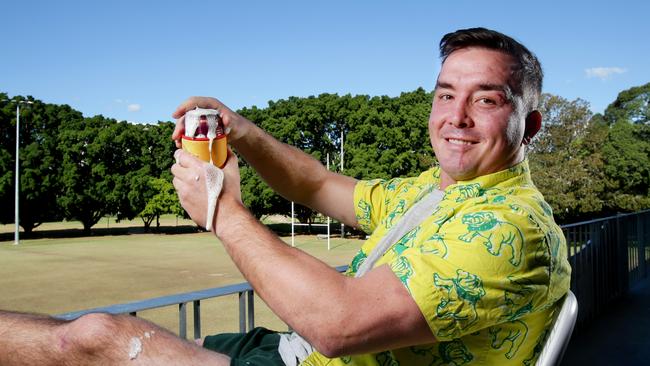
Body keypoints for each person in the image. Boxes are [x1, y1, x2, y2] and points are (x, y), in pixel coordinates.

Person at [0, 27, 570, 366]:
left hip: (314, 354)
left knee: (99, 338)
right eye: (447, 95)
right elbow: (317, 184)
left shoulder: (507, 227)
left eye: (487, 100)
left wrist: (221, 209)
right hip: (291, 353)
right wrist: (241, 131)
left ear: (532, 123)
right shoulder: (437, 191)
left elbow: (339, 324)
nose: (457, 117)